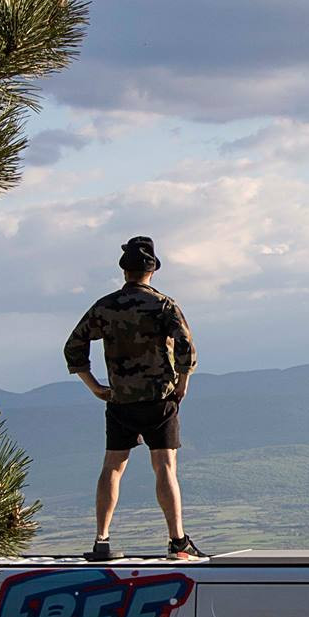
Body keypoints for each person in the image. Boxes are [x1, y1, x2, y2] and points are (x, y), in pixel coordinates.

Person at [63, 236, 202, 560]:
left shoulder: (105, 306)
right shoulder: (164, 305)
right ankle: (177, 542)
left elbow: (74, 345)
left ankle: (102, 540)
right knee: (165, 466)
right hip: (159, 398)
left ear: (124, 270)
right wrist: (183, 382)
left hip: (120, 399)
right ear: (152, 270)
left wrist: (94, 386)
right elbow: (185, 345)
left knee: (112, 467)